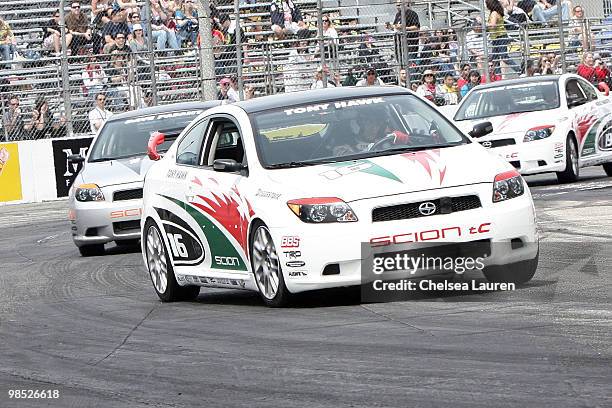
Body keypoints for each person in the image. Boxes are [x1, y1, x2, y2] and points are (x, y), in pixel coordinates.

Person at [487, 0, 521, 76]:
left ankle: (519, 70)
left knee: (504, 57)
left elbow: (492, 25)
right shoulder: (497, 11)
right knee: (495, 58)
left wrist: (484, 24)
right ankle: (498, 75)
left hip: (499, 37)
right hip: (497, 37)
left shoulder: (494, 13)